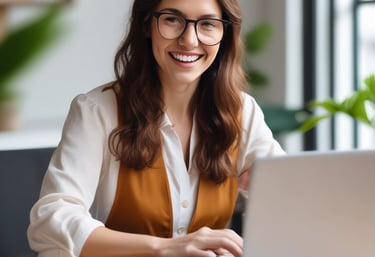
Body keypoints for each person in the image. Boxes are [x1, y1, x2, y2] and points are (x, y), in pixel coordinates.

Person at [27, 0, 285, 256]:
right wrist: (165, 248)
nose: (190, 40)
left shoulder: (242, 112)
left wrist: (267, 191)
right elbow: (51, 219)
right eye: (172, 19)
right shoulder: (97, 111)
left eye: (208, 23)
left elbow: (293, 197)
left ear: (224, 34)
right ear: (146, 25)